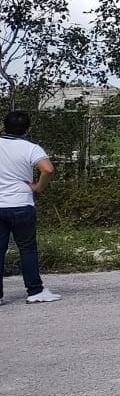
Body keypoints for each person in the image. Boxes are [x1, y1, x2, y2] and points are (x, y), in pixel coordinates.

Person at [0, 111, 60, 305]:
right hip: (21, 202)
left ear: (4, 125)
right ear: (27, 128)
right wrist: (37, 187)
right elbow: (48, 169)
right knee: (27, 249)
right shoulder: (31, 148)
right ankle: (35, 290)